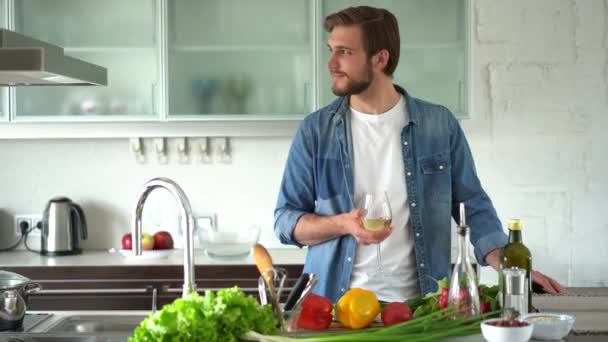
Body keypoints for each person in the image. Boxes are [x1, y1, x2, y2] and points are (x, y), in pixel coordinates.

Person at [274, 6, 566, 303]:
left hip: (421, 309)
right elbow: (286, 221)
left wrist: (505, 262)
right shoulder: (315, 131)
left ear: (380, 59)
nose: (331, 63)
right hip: (334, 308)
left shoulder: (439, 125)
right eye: (331, 50)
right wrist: (342, 224)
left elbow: (472, 204)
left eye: (345, 52)